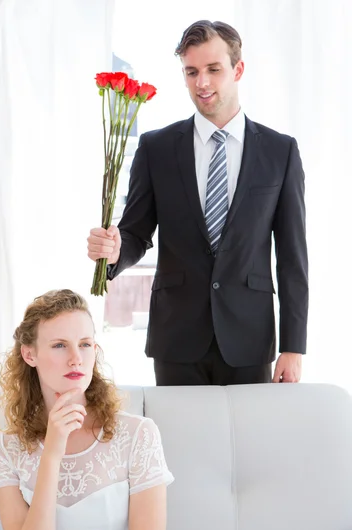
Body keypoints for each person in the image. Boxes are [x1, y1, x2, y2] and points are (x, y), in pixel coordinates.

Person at [87, 20, 308, 387]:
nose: (201, 83)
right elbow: (136, 233)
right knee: (178, 443)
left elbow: (292, 258)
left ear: (238, 70)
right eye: (191, 72)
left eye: (213, 70)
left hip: (249, 339)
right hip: (176, 338)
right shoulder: (156, 149)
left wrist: (293, 347)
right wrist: (114, 252)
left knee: (249, 444)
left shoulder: (280, 151)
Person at [0, 289, 174, 530]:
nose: (76, 358)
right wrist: (53, 452)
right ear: (29, 354)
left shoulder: (138, 435)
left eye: (85, 345)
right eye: (60, 345)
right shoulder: (2, 449)